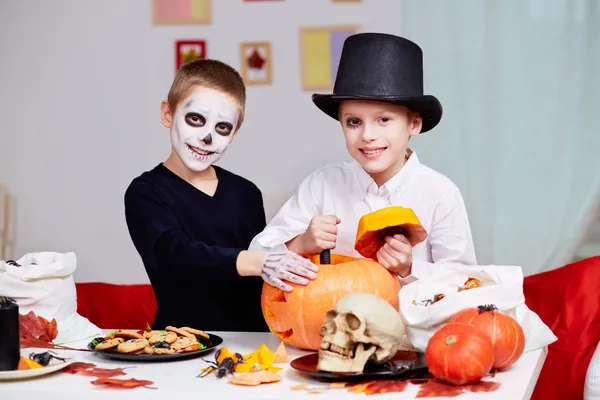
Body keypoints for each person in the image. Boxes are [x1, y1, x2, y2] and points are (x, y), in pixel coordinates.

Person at [249, 33, 477, 285]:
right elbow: (257, 255)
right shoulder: (322, 184)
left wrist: (410, 267)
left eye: (384, 120)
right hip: (330, 319)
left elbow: (465, 281)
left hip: (409, 324)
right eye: (354, 122)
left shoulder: (440, 193)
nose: (368, 136)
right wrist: (299, 243)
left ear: (414, 123)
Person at [124, 59, 318, 332]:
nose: (207, 137)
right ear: (168, 114)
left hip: (252, 341)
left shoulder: (246, 193)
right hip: (181, 343)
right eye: (195, 119)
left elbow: (262, 271)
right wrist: (256, 261)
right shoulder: (145, 192)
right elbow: (172, 256)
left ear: (235, 133)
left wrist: (299, 245)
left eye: (222, 128)